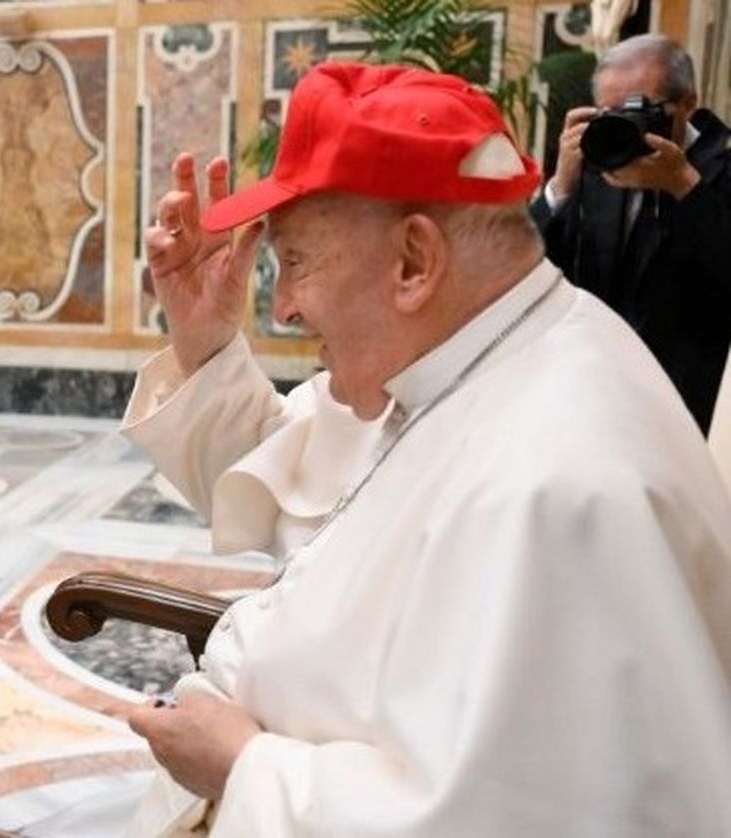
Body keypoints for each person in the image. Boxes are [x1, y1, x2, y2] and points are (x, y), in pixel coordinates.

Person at [122, 62, 731, 836]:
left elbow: (506, 818)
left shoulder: (559, 490)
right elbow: (308, 488)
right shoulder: (470, 358)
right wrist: (205, 340)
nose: (281, 306)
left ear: (414, 262)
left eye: (296, 262)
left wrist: (245, 769)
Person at [530, 33, 731, 433]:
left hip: (690, 404)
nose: (624, 126)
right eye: (609, 113)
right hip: (593, 392)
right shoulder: (595, 158)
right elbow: (528, 268)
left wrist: (684, 185)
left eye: (638, 110)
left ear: (688, 104)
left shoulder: (720, 166)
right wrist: (559, 188)